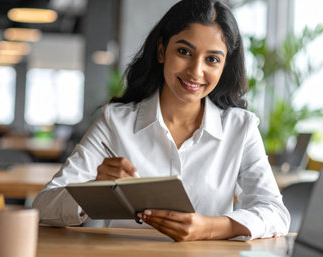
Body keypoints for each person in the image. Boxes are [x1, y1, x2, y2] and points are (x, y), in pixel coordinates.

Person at [33, 0, 290, 241]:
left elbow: (275, 212)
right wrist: (95, 189)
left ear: (224, 66)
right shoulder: (116, 121)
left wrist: (208, 227)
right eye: (184, 51)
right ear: (161, 50)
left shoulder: (241, 128)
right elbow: (43, 207)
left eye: (212, 59)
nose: (196, 71)